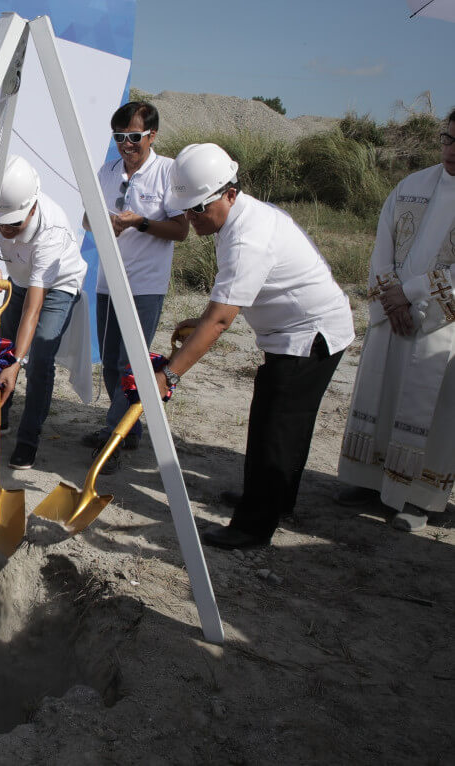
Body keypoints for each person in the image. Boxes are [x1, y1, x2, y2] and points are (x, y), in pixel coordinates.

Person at [154, 143, 354, 550]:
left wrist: (169, 373)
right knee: (285, 424)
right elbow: (234, 300)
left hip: (310, 335)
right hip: (299, 329)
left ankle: (253, 525)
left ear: (229, 192)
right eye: (186, 210)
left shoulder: (248, 236)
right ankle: (276, 500)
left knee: (275, 427)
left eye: (198, 209)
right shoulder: (235, 219)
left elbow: (222, 320)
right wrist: (203, 321)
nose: (191, 219)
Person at [336, 109, 455, 532]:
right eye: (447, 138)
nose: (451, 149)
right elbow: (382, 244)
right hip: (395, 316)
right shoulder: (413, 185)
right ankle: (368, 479)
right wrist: (392, 298)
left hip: (441, 327)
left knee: (433, 411)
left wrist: (413, 293)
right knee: (380, 395)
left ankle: (419, 498)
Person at [0, 155, 87, 470]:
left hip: (58, 284)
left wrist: (17, 363)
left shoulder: (51, 229)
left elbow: (34, 305)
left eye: (13, 224)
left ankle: (28, 440)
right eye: (1, 223)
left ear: (31, 207)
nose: (5, 229)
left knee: (40, 355)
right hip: (20, 277)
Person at [83, 102, 187, 473]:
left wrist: (140, 223)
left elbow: (181, 230)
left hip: (145, 285)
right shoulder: (107, 170)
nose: (126, 145)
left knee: (131, 363)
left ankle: (112, 439)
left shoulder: (169, 171)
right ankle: (129, 431)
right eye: (119, 137)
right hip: (107, 281)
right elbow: (86, 218)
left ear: (152, 135)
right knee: (110, 363)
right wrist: (105, 222)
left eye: (133, 137)